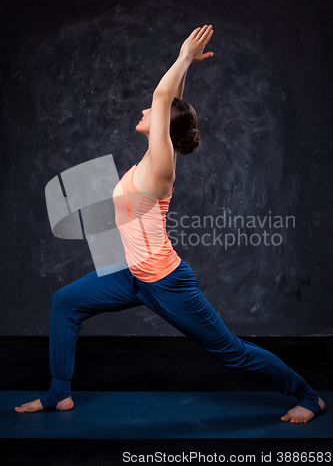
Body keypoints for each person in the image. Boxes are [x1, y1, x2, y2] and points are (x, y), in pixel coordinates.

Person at [15, 25, 325, 424]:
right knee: (64, 303)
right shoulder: (152, 158)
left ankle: (307, 395)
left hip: (165, 281)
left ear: (164, 127)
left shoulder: (161, 167)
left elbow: (163, 100)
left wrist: (182, 55)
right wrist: (185, 68)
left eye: (152, 112)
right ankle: (59, 394)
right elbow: (171, 99)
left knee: (229, 349)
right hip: (132, 275)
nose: (145, 111)